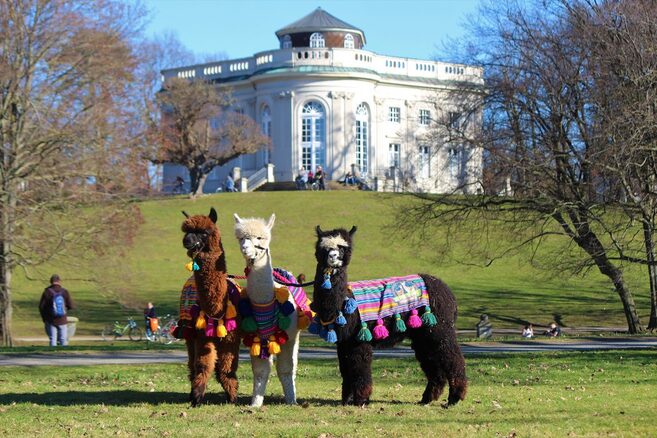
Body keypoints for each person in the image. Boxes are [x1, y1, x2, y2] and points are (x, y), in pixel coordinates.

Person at [38, 274, 74, 347]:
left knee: (52, 339)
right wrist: (64, 310)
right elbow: (71, 306)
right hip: (62, 319)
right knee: (63, 339)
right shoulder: (64, 291)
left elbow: (41, 307)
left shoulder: (47, 292)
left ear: (51, 282)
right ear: (59, 281)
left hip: (50, 320)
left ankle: (53, 354)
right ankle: (64, 355)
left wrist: (45, 318)